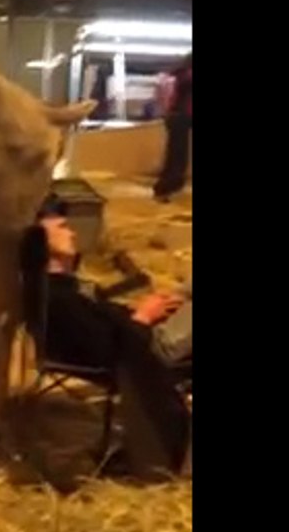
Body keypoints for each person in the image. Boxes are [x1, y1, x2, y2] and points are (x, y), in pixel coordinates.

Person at [33, 198, 191, 478]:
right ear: (39, 239)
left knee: (184, 293)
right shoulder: (56, 296)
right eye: (63, 227)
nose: (73, 233)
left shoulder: (64, 286)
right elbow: (105, 348)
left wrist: (141, 310)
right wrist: (142, 317)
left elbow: (102, 324)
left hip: (140, 338)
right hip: (144, 350)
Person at [152, 52, 193, 202]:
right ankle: (167, 187)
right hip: (182, 116)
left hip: (178, 116)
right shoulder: (184, 76)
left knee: (176, 155)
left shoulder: (180, 74)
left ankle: (168, 187)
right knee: (177, 156)